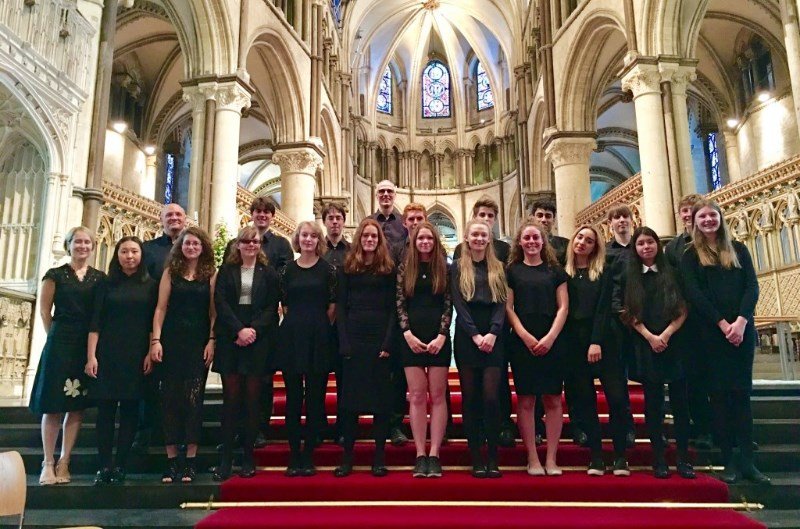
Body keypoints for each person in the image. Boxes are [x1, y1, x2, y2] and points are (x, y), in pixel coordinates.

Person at [680, 199, 769, 484]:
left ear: (720, 218)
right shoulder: (690, 254)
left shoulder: (738, 249)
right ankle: (728, 459)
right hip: (711, 334)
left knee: (741, 396)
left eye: (712, 215)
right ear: (695, 221)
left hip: (740, 333)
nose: (708, 220)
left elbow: (751, 286)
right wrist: (722, 323)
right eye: (702, 216)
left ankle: (748, 462)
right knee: (718, 397)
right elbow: (694, 294)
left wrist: (741, 321)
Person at [616, 227, 694, 479]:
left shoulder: (672, 272)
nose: (646, 247)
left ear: (657, 245)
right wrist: (650, 337)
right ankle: (658, 458)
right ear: (635, 249)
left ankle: (683, 458)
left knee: (681, 405)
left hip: (675, 344)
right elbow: (628, 311)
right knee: (653, 406)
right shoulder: (631, 277)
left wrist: (667, 334)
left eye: (650, 242)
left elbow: (683, 308)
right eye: (641, 244)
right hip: (646, 345)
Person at [30, 227, 105, 485]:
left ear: (93, 246)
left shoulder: (99, 278)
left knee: (76, 407)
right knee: (53, 405)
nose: (83, 246)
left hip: (86, 343)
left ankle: (65, 461)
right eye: (78, 242)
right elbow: (44, 311)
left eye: (87, 242)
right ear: (69, 245)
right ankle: (47, 463)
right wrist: (55, 338)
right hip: (60, 341)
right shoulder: (55, 275)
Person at [85, 236, 157, 485]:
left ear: (141, 255)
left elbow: (152, 322)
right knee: (105, 411)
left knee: (129, 410)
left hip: (137, 352)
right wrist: (91, 356)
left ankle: (120, 466)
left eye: (134, 251)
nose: (129, 256)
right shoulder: (106, 284)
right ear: (117, 255)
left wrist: (150, 351)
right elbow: (96, 322)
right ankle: (104, 465)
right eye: (124, 251)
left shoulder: (151, 285)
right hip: (107, 351)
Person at [224, 197, 293, 448]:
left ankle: (260, 427)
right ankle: (235, 430)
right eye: (258, 211)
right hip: (237, 324)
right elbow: (225, 281)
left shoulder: (281, 245)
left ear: (272, 216)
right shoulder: (235, 243)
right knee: (235, 381)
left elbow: (283, 278)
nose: (262, 215)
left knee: (263, 378)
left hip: (264, 321)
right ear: (251, 213)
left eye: (267, 212)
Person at [212, 226, 280, 481]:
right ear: (237, 245)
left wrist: (252, 331)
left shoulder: (269, 273)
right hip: (232, 338)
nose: (251, 245)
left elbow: (272, 307)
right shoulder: (226, 271)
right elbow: (221, 303)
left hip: (257, 340)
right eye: (246, 241)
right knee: (231, 402)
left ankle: (249, 458)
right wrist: (239, 330)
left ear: (260, 245)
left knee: (252, 402)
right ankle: (226, 459)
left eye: (255, 241)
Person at [150, 226, 216, 484]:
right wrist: (156, 340)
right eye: (187, 244)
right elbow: (160, 309)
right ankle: (171, 461)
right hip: (171, 341)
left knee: (193, 400)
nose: (191, 247)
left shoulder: (210, 274)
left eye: (196, 244)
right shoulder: (171, 272)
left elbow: (213, 313)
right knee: (170, 399)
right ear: (181, 247)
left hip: (197, 342)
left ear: (203, 248)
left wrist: (212, 340)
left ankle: (190, 460)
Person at [563, 225, 631, 476]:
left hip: (604, 340)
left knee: (616, 398)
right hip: (575, 343)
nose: (582, 242)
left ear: (595, 247)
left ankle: (621, 456)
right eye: (579, 237)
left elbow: (604, 308)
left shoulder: (604, 270)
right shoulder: (564, 272)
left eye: (589, 240)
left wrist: (596, 341)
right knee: (585, 402)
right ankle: (597, 457)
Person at [505, 220, 568, 476]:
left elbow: (563, 306)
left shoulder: (556, 270)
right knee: (527, 399)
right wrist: (525, 336)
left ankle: (551, 458)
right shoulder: (512, 271)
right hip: (522, 342)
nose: (531, 242)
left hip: (552, 339)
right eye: (527, 238)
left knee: (553, 399)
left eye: (536, 238)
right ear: (519, 242)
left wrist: (551, 337)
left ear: (543, 241)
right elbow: (508, 308)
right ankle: (532, 457)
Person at [335, 219, 397, 477]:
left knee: (381, 404)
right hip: (354, 338)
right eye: (366, 236)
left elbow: (394, 307)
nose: (369, 240)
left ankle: (379, 458)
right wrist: (344, 341)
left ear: (379, 239)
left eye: (374, 236)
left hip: (379, 339)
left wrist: (388, 342)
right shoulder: (347, 267)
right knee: (350, 404)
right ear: (359, 238)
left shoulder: (388, 268)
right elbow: (340, 306)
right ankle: (347, 458)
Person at [274, 221, 337, 477]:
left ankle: (308, 454)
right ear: (297, 239)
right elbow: (285, 304)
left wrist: (317, 325)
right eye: (304, 235)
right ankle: (294, 454)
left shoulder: (328, 270)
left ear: (318, 240)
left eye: (313, 236)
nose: (308, 239)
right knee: (292, 399)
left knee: (314, 398)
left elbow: (332, 307)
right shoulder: (287, 270)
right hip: (291, 335)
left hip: (319, 336)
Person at [453, 198, 515, 447]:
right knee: (470, 397)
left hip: (493, 335)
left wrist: (493, 333)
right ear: (467, 238)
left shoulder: (499, 267)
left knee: (491, 396)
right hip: (468, 336)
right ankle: (475, 451)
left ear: (489, 238)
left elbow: (502, 302)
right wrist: (476, 335)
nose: (479, 238)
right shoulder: (457, 266)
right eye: (474, 234)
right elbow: (459, 303)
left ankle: (492, 450)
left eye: (483, 234)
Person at [396, 222, 453, 478]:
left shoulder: (445, 268)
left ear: (435, 241)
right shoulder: (405, 268)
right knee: (418, 395)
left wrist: (443, 335)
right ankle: (420, 453)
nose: (425, 242)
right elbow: (399, 304)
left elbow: (448, 304)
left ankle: (435, 453)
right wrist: (407, 334)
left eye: (429, 238)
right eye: (421, 238)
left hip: (438, 338)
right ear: (414, 241)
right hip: (411, 338)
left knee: (438, 396)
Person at [665, 193, 713, 450]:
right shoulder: (673, 246)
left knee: (716, 378)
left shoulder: (716, 243)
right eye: (684, 211)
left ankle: (728, 429)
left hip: (713, 319)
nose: (687, 215)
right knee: (692, 378)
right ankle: (702, 427)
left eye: (691, 210)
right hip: (686, 320)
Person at [605, 204, 637, 448]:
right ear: (610, 224)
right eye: (616, 218)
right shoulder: (606, 253)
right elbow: (607, 288)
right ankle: (623, 427)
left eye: (625, 216)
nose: (621, 221)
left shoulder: (642, 246)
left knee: (647, 377)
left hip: (643, 322)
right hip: (616, 322)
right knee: (618, 379)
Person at [322, 203, 351, 445]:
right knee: (318, 376)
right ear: (325, 221)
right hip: (320, 323)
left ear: (343, 221)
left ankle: (343, 426)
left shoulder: (351, 251)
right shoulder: (315, 247)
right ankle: (319, 425)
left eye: (338, 218)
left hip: (344, 325)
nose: (334, 222)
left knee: (344, 378)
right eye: (330, 218)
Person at [368, 180, 407, 248]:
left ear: (395, 196)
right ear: (376, 196)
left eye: (389, 191)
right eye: (382, 191)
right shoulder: (367, 221)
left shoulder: (404, 221)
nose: (386, 194)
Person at [530, 199, 569, 266]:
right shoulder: (524, 243)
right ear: (533, 218)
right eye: (540, 215)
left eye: (548, 216)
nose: (544, 220)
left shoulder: (565, 245)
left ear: (553, 220)